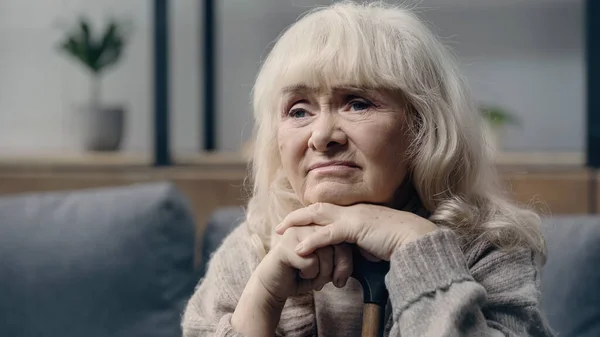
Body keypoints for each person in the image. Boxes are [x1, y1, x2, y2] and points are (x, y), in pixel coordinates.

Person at [182, 1, 555, 336]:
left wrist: (417, 247)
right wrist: (262, 299)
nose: (322, 136)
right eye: (299, 110)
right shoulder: (253, 246)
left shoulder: (489, 249)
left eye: (357, 104)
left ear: (422, 128)